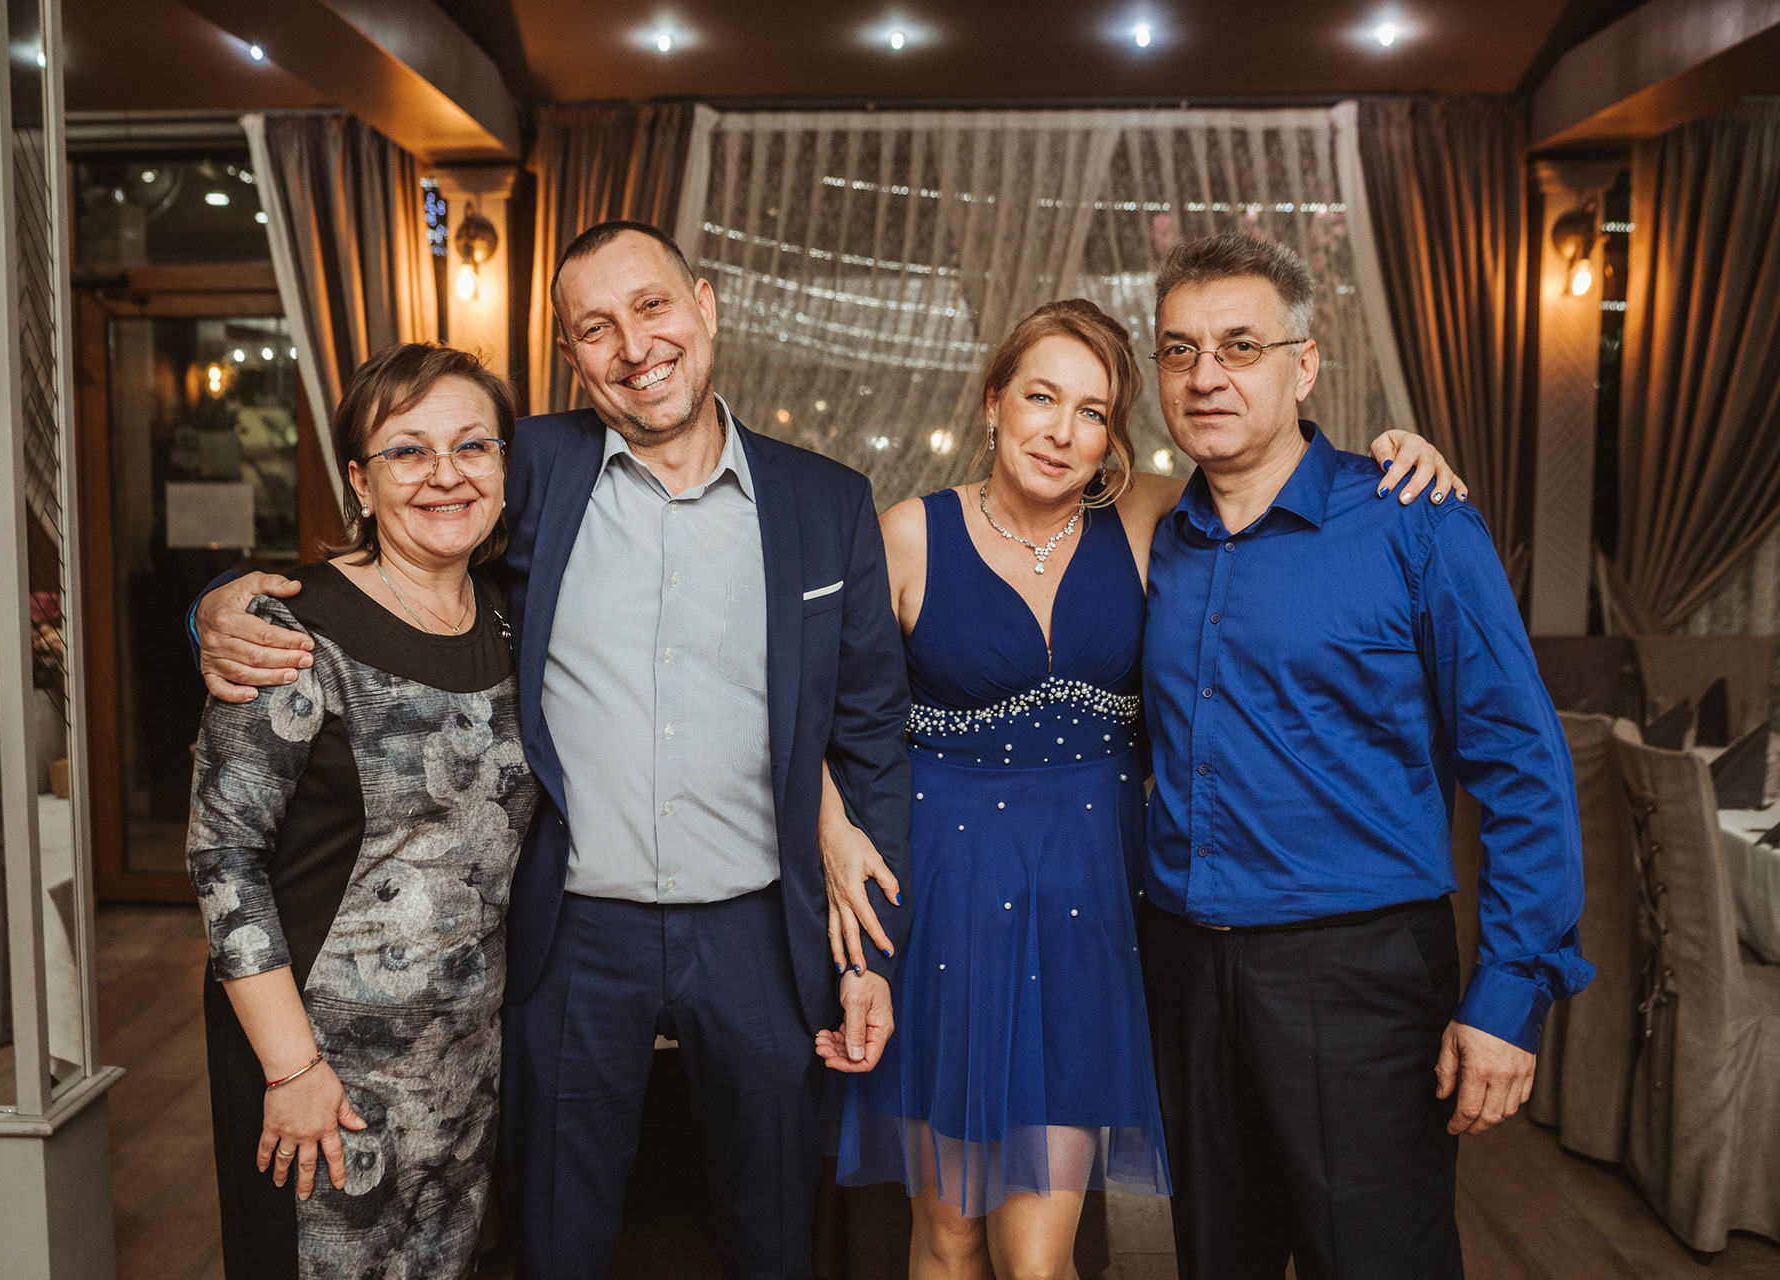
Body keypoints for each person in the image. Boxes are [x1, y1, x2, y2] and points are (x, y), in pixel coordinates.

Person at [189, 220, 914, 1279]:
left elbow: (870, 731)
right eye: (597, 327)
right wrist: (214, 607)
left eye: (652, 306)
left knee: (773, 1229)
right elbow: (386, 548)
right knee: (557, 1235)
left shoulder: (826, 501)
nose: (636, 345)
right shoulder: (524, 466)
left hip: (760, 927)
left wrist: (870, 957)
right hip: (572, 931)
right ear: (571, 357)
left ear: (705, 307)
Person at [817, 299, 1465, 1280]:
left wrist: (1394, 458)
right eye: (1041, 398)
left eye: (1092, 412)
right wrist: (833, 836)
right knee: (947, 1238)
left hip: (1090, 915)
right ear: (994, 402)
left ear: (1113, 435)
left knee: (1038, 1261)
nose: (1062, 431)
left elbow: (1272, 467)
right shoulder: (909, 535)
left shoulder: (1145, 515)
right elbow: (813, 721)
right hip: (946, 913)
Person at [1135, 234, 1592, 1278]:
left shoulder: (1413, 519)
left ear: (1304, 364)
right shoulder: (1150, 534)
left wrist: (1511, 992)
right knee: (1218, 1259)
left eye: (1240, 345)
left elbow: (1523, 763)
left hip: (1359, 970)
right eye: (1179, 348)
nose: (1205, 375)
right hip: (1185, 971)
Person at [186, 342, 541, 1279]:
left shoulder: (514, 619)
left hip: (463, 1062)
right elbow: (223, 857)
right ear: (360, 480)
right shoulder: (292, 629)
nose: (445, 475)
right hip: (317, 1064)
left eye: (472, 446)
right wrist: (292, 1070)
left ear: (503, 463)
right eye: (408, 451)